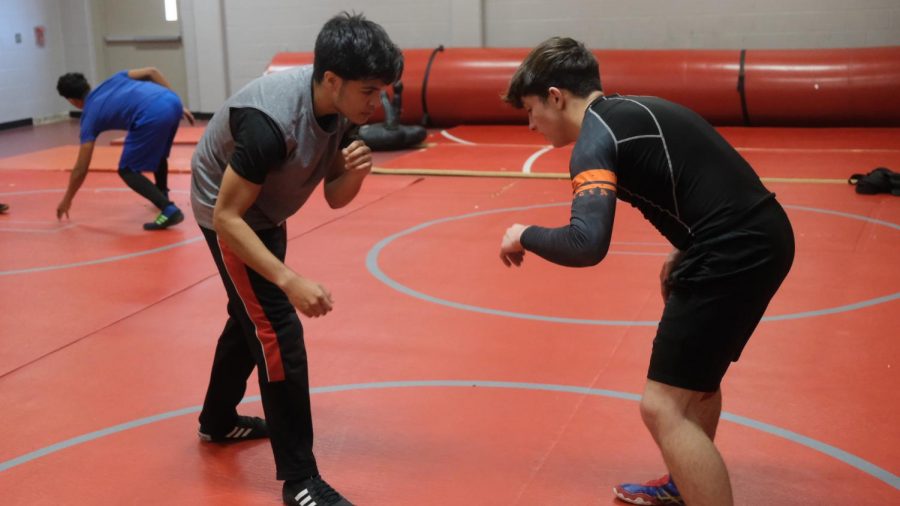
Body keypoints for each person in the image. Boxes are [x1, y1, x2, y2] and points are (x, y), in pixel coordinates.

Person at [499, 37, 794, 506]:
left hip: (735, 249)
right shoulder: (627, 111)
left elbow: (585, 244)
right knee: (695, 384)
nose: (530, 123)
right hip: (760, 235)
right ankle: (685, 482)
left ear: (555, 96)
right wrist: (688, 250)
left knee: (661, 406)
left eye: (530, 110)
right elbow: (700, 183)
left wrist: (523, 233)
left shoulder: (596, 140)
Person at [190, 12, 402, 506]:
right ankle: (300, 481)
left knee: (249, 316)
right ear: (332, 80)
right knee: (278, 330)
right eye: (370, 91)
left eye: (383, 90)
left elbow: (333, 195)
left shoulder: (346, 110)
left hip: (265, 209)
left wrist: (356, 174)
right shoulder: (268, 124)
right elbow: (227, 217)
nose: (380, 102)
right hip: (227, 212)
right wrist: (290, 279)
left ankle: (217, 421)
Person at [55, 68, 194, 230]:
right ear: (87, 85)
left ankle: (168, 209)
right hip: (172, 100)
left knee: (127, 169)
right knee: (158, 153)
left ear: (72, 101)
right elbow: (152, 72)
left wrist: (67, 199)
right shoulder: (113, 79)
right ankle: (162, 193)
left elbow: (81, 168)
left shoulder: (89, 117)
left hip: (151, 114)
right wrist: (176, 104)